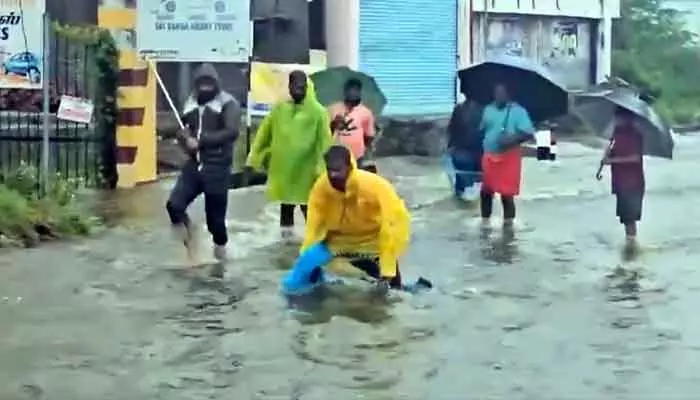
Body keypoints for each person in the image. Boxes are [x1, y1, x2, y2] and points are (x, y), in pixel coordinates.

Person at [281, 145, 411, 294]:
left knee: (390, 277)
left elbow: (392, 222)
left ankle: (395, 291)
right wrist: (308, 251)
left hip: (373, 238)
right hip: (339, 239)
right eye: (330, 170)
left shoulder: (375, 186)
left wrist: (388, 267)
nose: (334, 175)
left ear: (349, 166)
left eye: (338, 170)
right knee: (305, 264)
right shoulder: (321, 187)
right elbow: (314, 224)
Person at [165, 63, 241, 261]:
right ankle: (190, 236)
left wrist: (201, 142)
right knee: (174, 205)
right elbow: (182, 129)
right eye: (202, 83)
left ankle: (221, 254)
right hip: (194, 166)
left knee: (215, 222)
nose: (205, 87)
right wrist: (183, 137)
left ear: (216, 83)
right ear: (196, 84)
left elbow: (232, 132)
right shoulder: (189, 103)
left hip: (218, 167)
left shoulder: (228, 103)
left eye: (210, 83)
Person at [246, 70, 332, 240]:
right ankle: (286, 242)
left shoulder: (318, 112)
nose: (297, 90)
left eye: (301, 86)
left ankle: (315, 243)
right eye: (294, 86)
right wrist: (253, 159)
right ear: (289, 87)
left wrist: (322, 170)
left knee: (309, 207)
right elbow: (264, 133)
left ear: (307, 87)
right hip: (284, 171)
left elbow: (325, 143)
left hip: (307, 172)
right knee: (286, 207)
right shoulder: (280, 109)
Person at [478, 83, 535, 225]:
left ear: (508, 95)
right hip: (489, 156)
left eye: (502, 93)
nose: (499, 96)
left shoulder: (518, 111)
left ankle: (508, 227)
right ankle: (485, 223)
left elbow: (528, 133)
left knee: (507, 195)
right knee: (486, 192)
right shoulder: (488, 109)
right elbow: (482, 129)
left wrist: (512, 139)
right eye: (496, 93)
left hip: (509, 157)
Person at [600, 107, 644, 248]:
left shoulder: (634, 135)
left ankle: (632, 247)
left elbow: (635, 158)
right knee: (626, 218)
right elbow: (612, 156)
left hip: (632, 183)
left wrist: (612, 161)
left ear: (626, 118)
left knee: (630, 218)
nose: (616, 121)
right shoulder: (616, 136)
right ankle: (631, 246)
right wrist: (607, 154)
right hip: (620, 182)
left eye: (618, 118)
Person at [328, 78, 376, 171]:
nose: (352, 92)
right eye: (350, 89)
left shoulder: (366, 112)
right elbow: (325, 132)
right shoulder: (333, 108)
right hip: (336, 153)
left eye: (356, 90)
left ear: (360, 92)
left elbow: (369, 136)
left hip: (357, 155)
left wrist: (362, 149)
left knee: (355, 180)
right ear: (345, 91)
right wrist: (334, 124)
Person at [446, 97, 484, 199]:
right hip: (480, 155)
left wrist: (449, 149)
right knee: (480, 186)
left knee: (462, 188)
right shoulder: (486, 110)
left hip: (461, 154)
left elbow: (451, 131)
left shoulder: (459, 108)